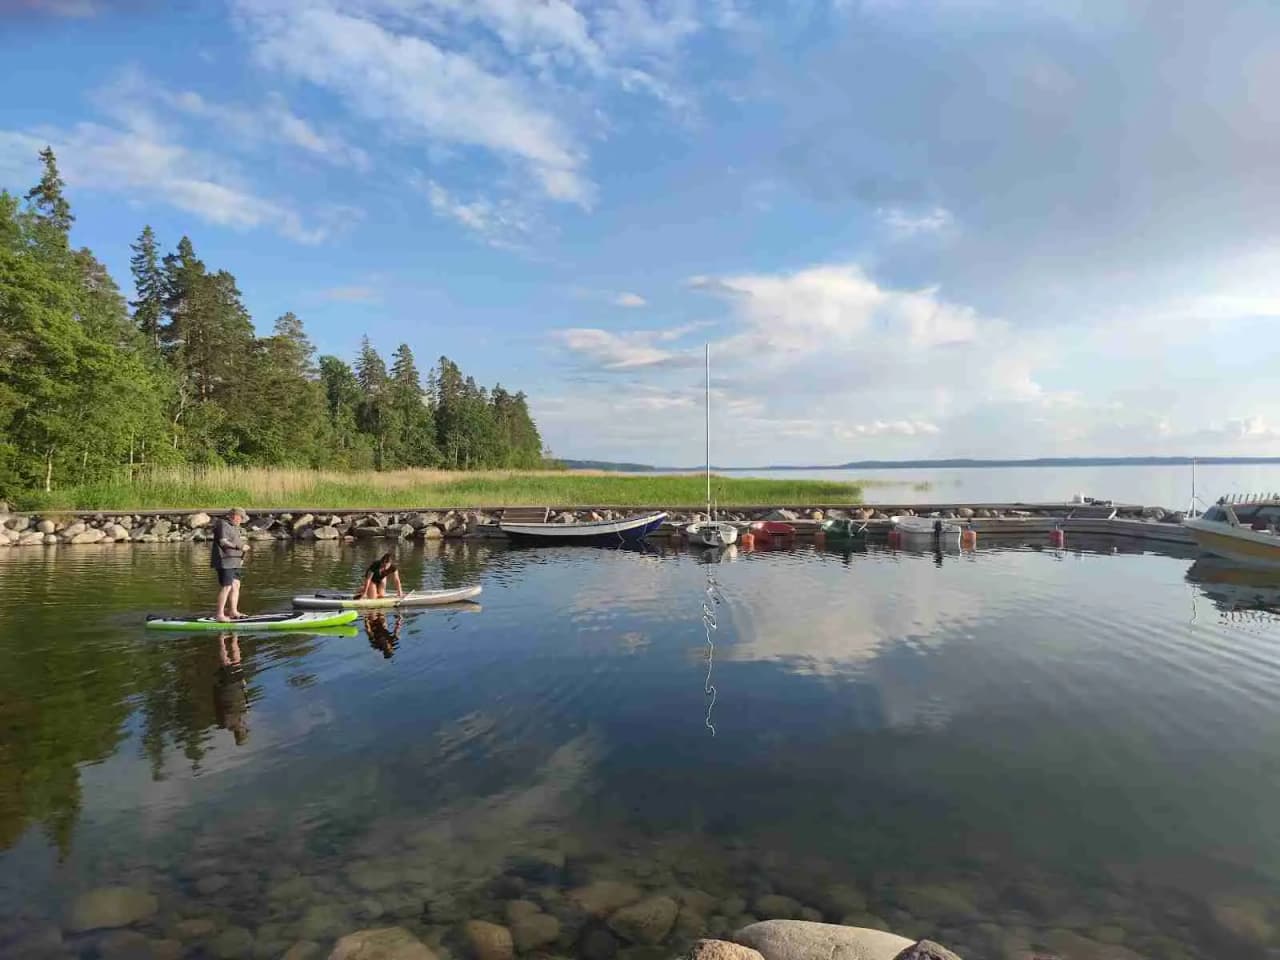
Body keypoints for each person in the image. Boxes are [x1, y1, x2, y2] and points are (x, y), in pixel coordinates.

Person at [211, 507, 250, 621]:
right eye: (241, 518)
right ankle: (219, 615)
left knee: (236, 585)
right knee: (227, 586)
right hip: (225, 561)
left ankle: (233, 611)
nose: (241, 521)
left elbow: (239, 543)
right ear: (235, 516)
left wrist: (241, 558)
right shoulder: (222, 524)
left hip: (235, 561)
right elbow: (223, 542)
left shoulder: (236, 528)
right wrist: (239, 547)